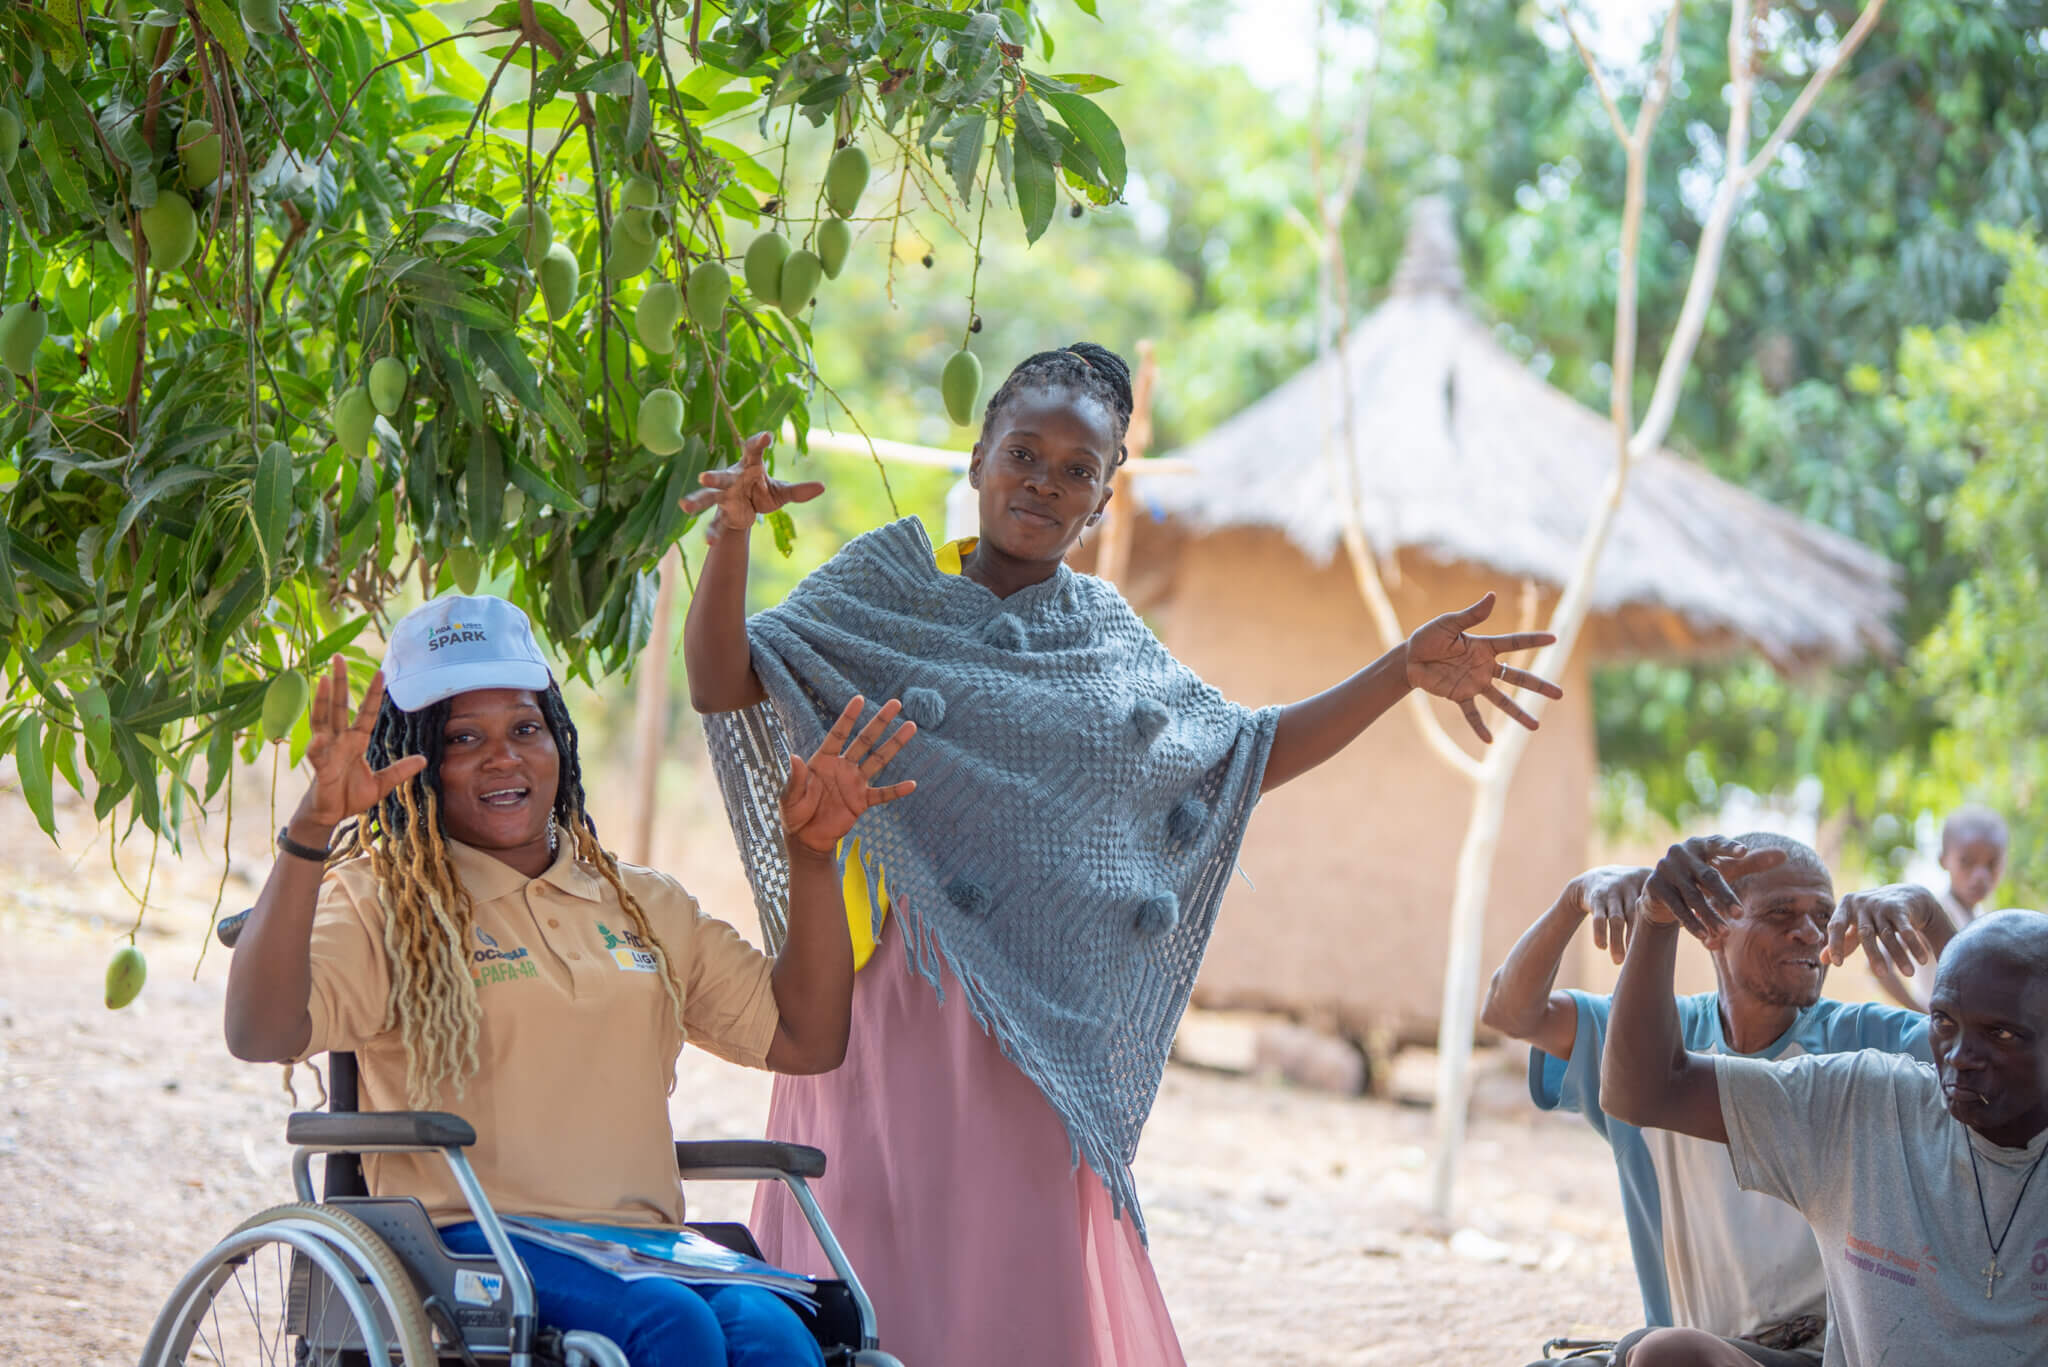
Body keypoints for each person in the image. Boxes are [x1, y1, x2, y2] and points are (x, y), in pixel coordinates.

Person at [678, 341, 1566, 1366]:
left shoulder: (1109, 641)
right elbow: (721, 678)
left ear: (1102, 500)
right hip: (886, 1013)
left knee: (1010, 1297)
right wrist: (731, 539)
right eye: (1023, 453)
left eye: (1075, 470)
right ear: (975, 460)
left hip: (1041, 1042)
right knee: (871, 1272)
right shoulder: (879, 587)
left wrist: (1395, 672)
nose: (1043, 483)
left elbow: (1240, 755)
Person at [222, 594, 919, 1367]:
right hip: (476, 1238)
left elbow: (806, 1037)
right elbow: (260, 1031)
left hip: (647, 1245)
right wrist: (312, 831)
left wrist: (813, 857)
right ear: (415, 758)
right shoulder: (384, 896)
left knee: (777, 1334)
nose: (503, 757)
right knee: (671, 1326)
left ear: (559, 740)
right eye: (462, 738)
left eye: (526, 727)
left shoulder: (641, 900)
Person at [1483, 836, 1941, 1365]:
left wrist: (1929, 917)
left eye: (1823, 914)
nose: (1810, 932)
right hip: (1676, 1344)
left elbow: (2004, 1046)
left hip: (1818, 1355)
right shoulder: (1646, 1041)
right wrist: (1574, 897)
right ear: (1708, 925)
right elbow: (1510, 1012)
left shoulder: (1864, 1042)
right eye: (1780, 913)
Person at [1600, 838, 2048, 1366]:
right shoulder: (1866, 1103)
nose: (1961, 1056)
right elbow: (1642, 1092)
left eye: (2001, 1036)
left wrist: (1929, 915)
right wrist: (1655, 919)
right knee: (1663, 1353)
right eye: (1944, 1023)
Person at [1873, 804, 2010, 1011]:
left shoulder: (1983, 917)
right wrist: (1922, 1015)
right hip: (1937, 1038)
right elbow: (1878, 964)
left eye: (1991, 864)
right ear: (1943, 859)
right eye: (1967, 862)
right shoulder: (1931, 915)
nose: (1981, 876)